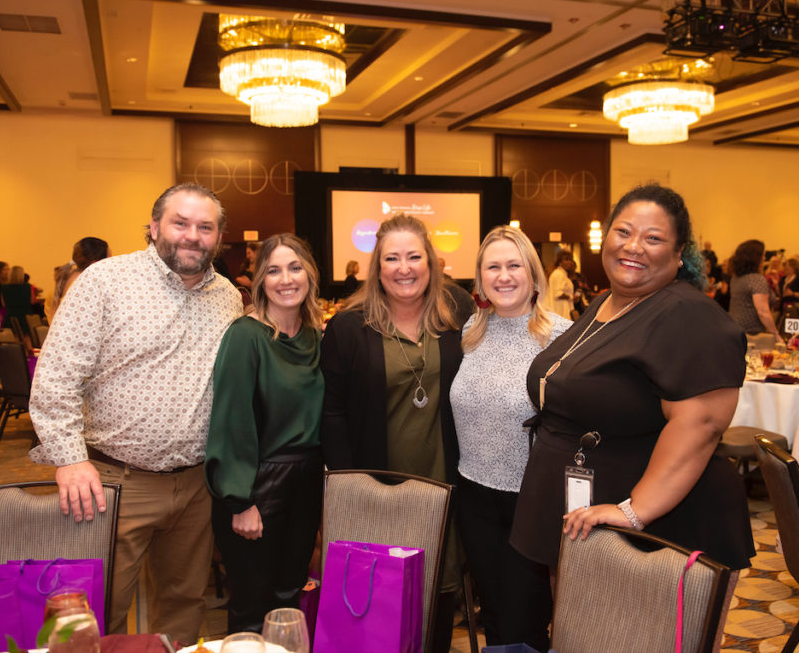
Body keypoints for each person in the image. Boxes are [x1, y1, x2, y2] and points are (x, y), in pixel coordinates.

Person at [29, 183, 243, 644]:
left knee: (185, 603)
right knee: (97, 610)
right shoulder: (106, 281)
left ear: (218, 237)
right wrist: (68, 458)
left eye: (205, 227)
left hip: (196, 486)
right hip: (112, 483)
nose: (193, 236)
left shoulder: (228, 297)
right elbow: (55, 378)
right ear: (153, 227)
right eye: (180, 223)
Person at [511, 183, 754, 581]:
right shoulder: (608, 301)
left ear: (679, 255)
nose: (634, 246)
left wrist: (633, 509)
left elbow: (702, 423)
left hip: (655, 528)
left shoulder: (690, 316)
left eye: (653, 238)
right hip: (590, 508)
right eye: (623, 232)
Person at [320, 212, 462, 653]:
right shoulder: (349, 327)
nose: (404, 268)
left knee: (438, 593)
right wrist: (351, 486)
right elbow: (332, 413)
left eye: (414, 256)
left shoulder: (457, 314)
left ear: (431, 263)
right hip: (376, 482)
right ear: (376, 268)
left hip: (443, 482)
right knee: (379, 598)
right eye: (392, 258)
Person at [450, 226, 571, 651]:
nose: (504, 276)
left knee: (527, 617)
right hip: (474, 495)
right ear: (480, 278)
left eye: (514, 265)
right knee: (495, 614)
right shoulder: (470, 332)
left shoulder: (561, 336)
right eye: (493, 266)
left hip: (531, 501)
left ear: (534, 275)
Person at [206, 233, 324, 634]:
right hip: (258, 483)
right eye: (273, 270)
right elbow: (231, 420)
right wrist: (240, 501)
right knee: (251, 604)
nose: (285, 279)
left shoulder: (313, 334)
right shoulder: (245, 336)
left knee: (289, 598)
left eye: (294, 268)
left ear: (309, 273)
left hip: (306, 482)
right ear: (260, 280)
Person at [728, 240, 780, 340]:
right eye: (762, 255)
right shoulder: (756, 279)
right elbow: (763, 312)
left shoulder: (736, 278)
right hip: (752, 336)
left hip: (735, 331)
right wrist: (776, 334)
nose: (764, 258)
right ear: (755, 258)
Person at [546, 249, 575, 319]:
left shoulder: (562, 274)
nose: (569, 262)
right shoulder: (558, 274)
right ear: (560, 262)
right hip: (559, 309)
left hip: (561, 308)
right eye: (566, 260)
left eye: (570, 260)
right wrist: (571, 297)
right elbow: (558, 294)